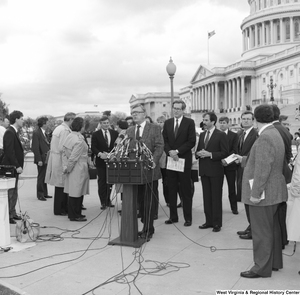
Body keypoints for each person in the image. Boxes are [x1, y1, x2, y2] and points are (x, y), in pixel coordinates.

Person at [239, 104, 287, 279]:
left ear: (255, 119)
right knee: (272, 229)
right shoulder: (274, 132)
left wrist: (256, 193)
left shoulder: (265, 137)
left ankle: (260, 268)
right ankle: (273, 263)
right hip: (274, 191)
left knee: (261, 232)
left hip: (264, 192)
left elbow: (262, 169)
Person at [127, 103, 163, 241]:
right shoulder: (130, 130)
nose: (134, 114)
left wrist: (153, 160)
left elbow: (160, 146)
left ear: (144, 114)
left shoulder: (154, 128)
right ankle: (144, 226)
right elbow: (127, 149)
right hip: (134, 173)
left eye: (137, 112)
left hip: (150, 171)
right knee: (140, 202)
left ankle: (148, 229)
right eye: (132, 112)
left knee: (149, 201)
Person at [163, 100, 196, 227]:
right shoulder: (168, 123)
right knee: (171, 189)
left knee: (185, 190)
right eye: (174, 108)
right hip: (171, 160)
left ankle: (188, 218)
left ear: (183, 110)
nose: (176, 110)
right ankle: (173, 217)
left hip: (183, 160)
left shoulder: (189, 122)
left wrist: (177, 151)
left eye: (178, 108)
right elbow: (164, 140)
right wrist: (170, 152)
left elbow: (191, 141)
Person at [196, 112, 228, 232]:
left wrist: (210, 154)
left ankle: (216, 223)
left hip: (215, 171)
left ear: (213, 122)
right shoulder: (202, 134)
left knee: (216, 198)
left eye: (206, 120)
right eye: (203, 120)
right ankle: (208, 221)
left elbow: (225, 152)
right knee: (206, 198)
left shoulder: (221, 135)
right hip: (204, 171)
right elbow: (198, 150)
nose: (204, 122)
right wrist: (198, 154)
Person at [45, 112, 76, 216]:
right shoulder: (64, 130)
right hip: (60, 159)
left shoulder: (59, 128)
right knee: (61, 185)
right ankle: (60, 209)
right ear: (70, 120)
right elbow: (63, 147)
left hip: (56, 158)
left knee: (60, 185)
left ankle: (61, 208)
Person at [236, 111, 258, 240]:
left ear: (253, 120)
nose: (245, 121)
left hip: (250, 170)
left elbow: (253, 153)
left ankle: (253, 229)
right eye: (243, 119)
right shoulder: (240, 133)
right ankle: (250, 226)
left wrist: (243, 158)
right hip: (240, 170)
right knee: (245, 199)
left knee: (250, 200)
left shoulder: (257, 134)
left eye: (248, 119)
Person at [62, 117, 89, 222]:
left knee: (75, 191)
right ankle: (74, 215)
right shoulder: (79, 140)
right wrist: (68, 168)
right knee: (77, 191)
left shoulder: (70, 136)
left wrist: (65, 166)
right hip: (78, 166)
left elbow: (64, 153)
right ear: (81, 127)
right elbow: (74, 157)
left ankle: (76, 213)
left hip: (73, 166)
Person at [1, 111, 24, 224]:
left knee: (14, 191)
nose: (23, 121)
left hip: (13, 167)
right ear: (16, 119)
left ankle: (13, 212)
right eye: (21, 119)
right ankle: (9, 215)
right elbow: (9, 152)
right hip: (10, 167)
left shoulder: (13, 132)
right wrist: (17, 166)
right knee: (10, 191)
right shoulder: (9, 132)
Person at [91, 115, 118, 210]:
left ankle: (108, 200)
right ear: (100, 124)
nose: (106, 125)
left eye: (107, 123)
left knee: (110, 182)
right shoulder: (96, 134)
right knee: (102, 182)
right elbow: (93, 147)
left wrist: (113, 154)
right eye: (104, 123)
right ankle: (103, 201)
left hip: (112, 161)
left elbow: (117, 146)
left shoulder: (114, 133)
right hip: (101, 162)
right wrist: (99, 154)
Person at [219, 116, 239, 215]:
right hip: (218, 164)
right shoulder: (216, 134)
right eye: (220, 122)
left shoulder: (234, 136)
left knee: (232, 187)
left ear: (228, 124)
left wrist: (226, 160)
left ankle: (234, 208)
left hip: (230, 165)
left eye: (224, 123)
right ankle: (218, 207)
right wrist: (221, 159)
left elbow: (235, 150)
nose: (222, 124)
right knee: (218, 188)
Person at [31, 116, 51, 201]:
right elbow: (35, 147)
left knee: (45, 176)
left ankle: (45, 193)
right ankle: (40, 194)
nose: (48, 124)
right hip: (41, 158)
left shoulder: (44, 133)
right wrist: (39, 159)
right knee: (41, 176)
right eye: (47, 122)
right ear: (43, 124)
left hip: (46, 157)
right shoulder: (36, 133)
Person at [157, 116, 168, 207]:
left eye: (161, 122)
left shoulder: (167, 132)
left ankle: (168, 200)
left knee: (166, 181)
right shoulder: (157, 132)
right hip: (158, 160)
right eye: (158, 122)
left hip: (165, 159)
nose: (160, 124)